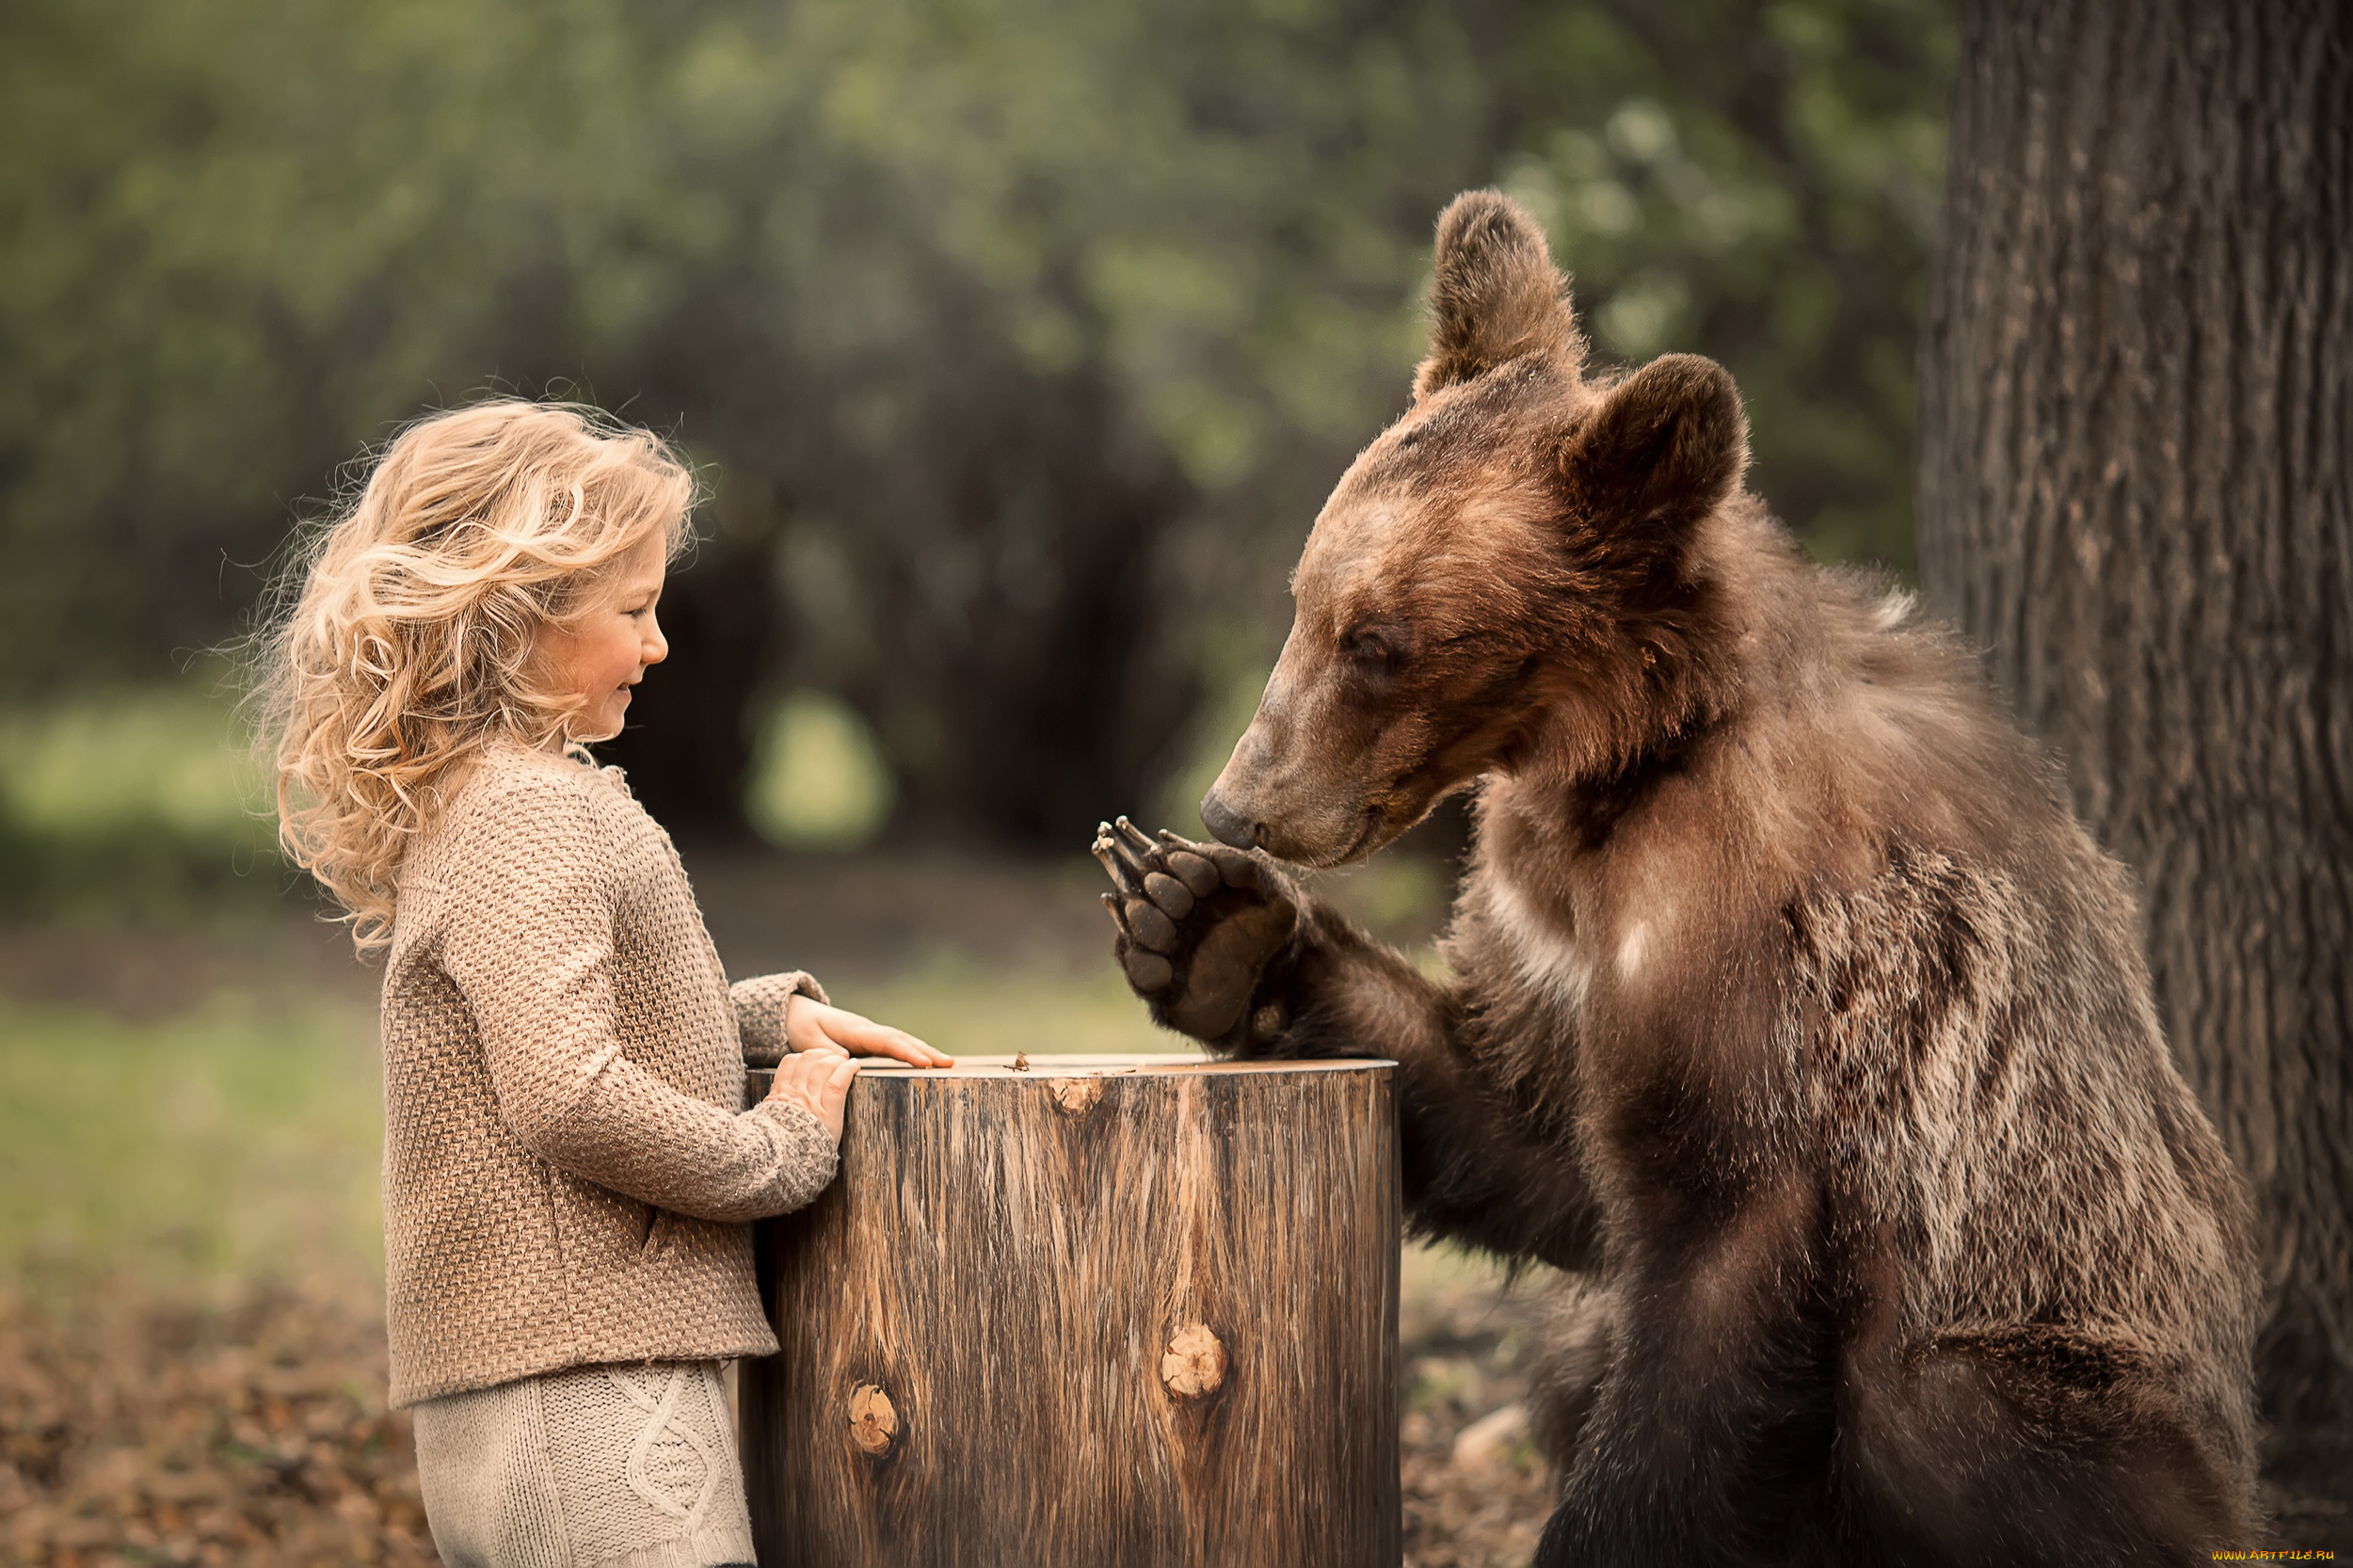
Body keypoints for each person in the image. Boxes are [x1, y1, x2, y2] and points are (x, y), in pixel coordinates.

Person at [256, 399, 948, 1567]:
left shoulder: (482, 798)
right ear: (514, 615)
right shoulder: (532, 810)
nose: (660, 643)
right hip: (587, 1384)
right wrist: (777, 1147)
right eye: (633, 609)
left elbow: (531, 1024)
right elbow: (568, 1090)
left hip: (520, 1384)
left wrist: (758, 1022)